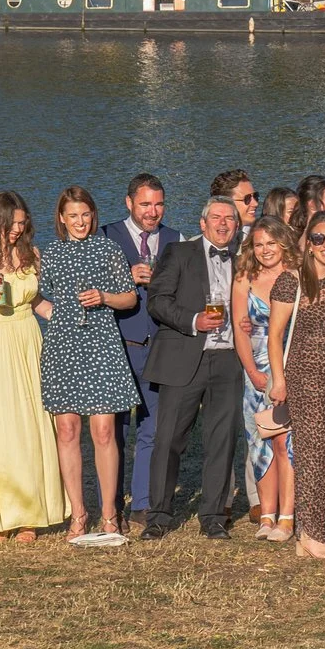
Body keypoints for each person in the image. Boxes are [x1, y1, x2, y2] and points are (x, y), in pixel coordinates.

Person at [38, 187, 140, 546]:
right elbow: (37, 295)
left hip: (101, 342)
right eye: (73, 216)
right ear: (62, 219)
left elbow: (129, 297)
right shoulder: (51, 253)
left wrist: (104, 298)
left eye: (85, 215)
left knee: (103, 431)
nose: (80, 222)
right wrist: (55, 317)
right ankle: (78, 513)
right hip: (63, 347)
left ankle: (110, 515)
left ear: (92, 215)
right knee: (66, 430)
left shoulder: (108, 248)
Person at [0, 192, 65, 541]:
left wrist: (68, 318)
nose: (18, 230)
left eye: (22, 223)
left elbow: (35, 302)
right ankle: (1, 517)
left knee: (29, 426)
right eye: (12, 223)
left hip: (26, 340)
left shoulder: (29, 255)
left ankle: (30, 517)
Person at [144, 196, 246, 541]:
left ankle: (214, 516)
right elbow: (157, 301)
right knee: (169, 438)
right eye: (216, 218)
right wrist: (192, 320)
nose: (222, 224)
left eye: (229, 219)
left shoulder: (244, 261)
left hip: (230, 358)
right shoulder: (179, 252)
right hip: (185, 355)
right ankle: (158, 515)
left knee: (222, 440)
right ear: (202, 224)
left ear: (237, 225)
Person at [100, 174, 177, 526]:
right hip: (118, 345)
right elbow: (89, 288)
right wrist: (124, 277)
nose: (153, 212)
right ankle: (111, 502)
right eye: (145, 204)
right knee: (115, 430)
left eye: (159, 204)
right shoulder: (105, 236)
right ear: (129, 203)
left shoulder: (175, 240)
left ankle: (142, 504)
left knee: (153, 428)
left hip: (159, 346)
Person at [281, 212, 325, 559]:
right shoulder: (291, 281)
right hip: (305, 376)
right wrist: (278, 380)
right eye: (319, 238)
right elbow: (275, 336)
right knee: (311, 453)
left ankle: (311, 533)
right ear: (308, 243)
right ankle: (312, 534)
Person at [234, 216, 297, 542]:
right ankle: (267, 515)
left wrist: (283, 374)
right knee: (260, 444)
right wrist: (253, 372)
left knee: (286, 444)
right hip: (256, 375)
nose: (265, 250)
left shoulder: (297, 276)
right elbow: (239, 329)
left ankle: (287, 517)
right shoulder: (244, 277)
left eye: (271, 243)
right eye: (259, 245)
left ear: (283, 243)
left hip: (292, 370)